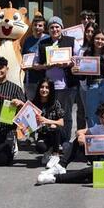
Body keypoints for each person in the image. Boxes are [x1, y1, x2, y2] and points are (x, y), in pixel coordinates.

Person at [37, 102, 104, 185]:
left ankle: (55, 178)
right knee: (79, 140)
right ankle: (61, 166)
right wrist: (81, 136)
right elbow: (79, 131)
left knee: (92, 170)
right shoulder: (100, 127)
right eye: (101, 117)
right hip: (100, 158)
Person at [36, 16, 80, 146]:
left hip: (67, 85)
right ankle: (51, 142)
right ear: (48, 30)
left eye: (57, 27)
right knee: (49, 113)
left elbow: (79, 59)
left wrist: (69, 63)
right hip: (49, 86)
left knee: (66, 114)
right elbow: (36, 64)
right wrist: (46, 66)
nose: (54, 29)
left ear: (61, 28)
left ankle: (65, 141)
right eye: (51, 27)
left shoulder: (71, 41)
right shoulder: (43, 43)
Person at [73, 28, 104, 128]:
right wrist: (76, 71)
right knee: (92, 116)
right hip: (92, 87)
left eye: (102, 39)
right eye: (97, 38)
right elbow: (83, 76)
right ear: (93, 39)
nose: (100, 41)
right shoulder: (86, 54)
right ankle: (95, 142)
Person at [32, 78, 65, 168]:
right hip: (43, 134)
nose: (44, 90)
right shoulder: (33, 103)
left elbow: (61, 123)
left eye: (47, 87)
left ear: (50, 90)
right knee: (40, 147)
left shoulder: (55, 103)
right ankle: (48, 151)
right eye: (42, 87)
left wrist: (47, 121)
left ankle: (55, 155)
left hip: (56, 133)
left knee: (54, 126)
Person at [75, 21, 97, 131]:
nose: (89, 34)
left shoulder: (102, 46)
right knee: (85, 112)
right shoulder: (81, 49)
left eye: (92, 31)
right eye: (87, 31)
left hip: (98, 85)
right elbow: (77, 67)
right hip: (83, 86)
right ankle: (83, 140)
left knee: (96, 112)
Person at [21, 12, 49, 100]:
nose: (37, 27)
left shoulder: (48, 39)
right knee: (31, 104)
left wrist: (41, 67)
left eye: (40, 25)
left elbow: (52, 59)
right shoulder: (27, 40)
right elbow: (23, 57)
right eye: (35, 25)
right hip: (30, 79)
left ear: (44, 27)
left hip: (45, 79)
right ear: (32, 27)